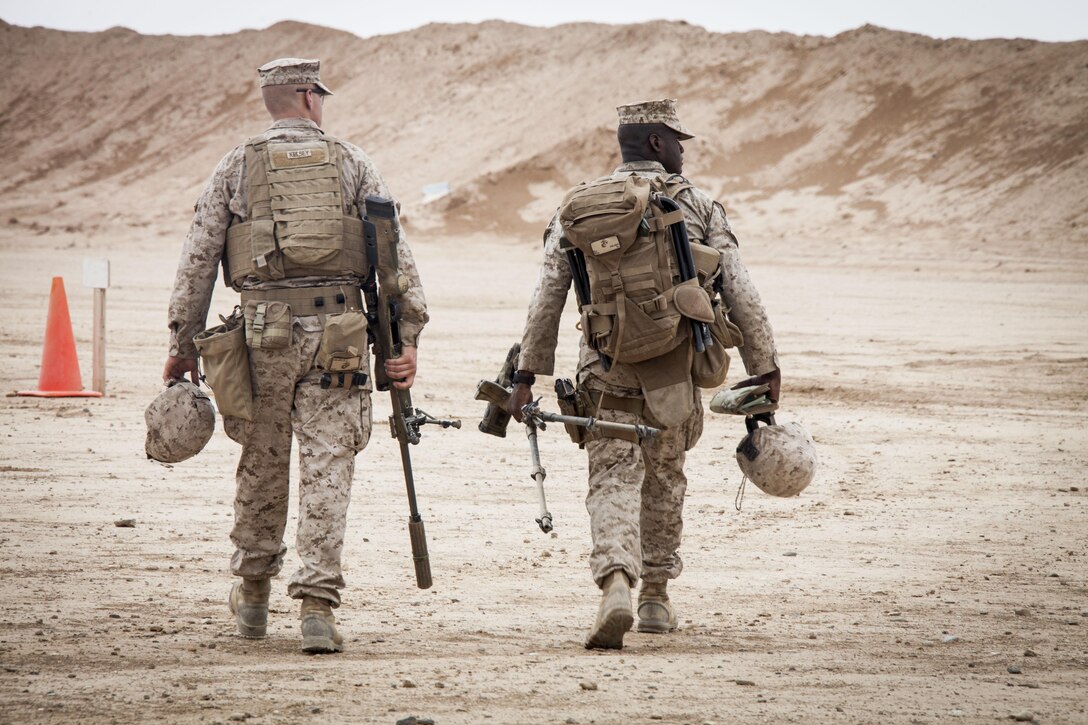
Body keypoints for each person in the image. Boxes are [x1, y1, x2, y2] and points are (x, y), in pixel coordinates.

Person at [162, 58, 428, 654]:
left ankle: (253, 595)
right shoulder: (354, 162)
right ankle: (317, 608)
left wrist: (182, 346)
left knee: (262, 459)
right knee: (329, 465)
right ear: (308, 97)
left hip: (261, 335)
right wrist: (406, 340)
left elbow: (198, 260)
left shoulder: (236, 164)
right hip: (341, 333)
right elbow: (395, 262)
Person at [506, 99, 780, 649]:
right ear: (656, 142)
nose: (682, 149)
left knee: (610, 478)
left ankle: (615, 583)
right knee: (665, 477)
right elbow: (740, 290)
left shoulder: (580, 207)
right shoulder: (697, 204)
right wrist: (764, 367)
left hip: (605, 369)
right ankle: (655, 596)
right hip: (674, 367)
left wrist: (527, 374)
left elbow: (547, 298)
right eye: (677, 140)